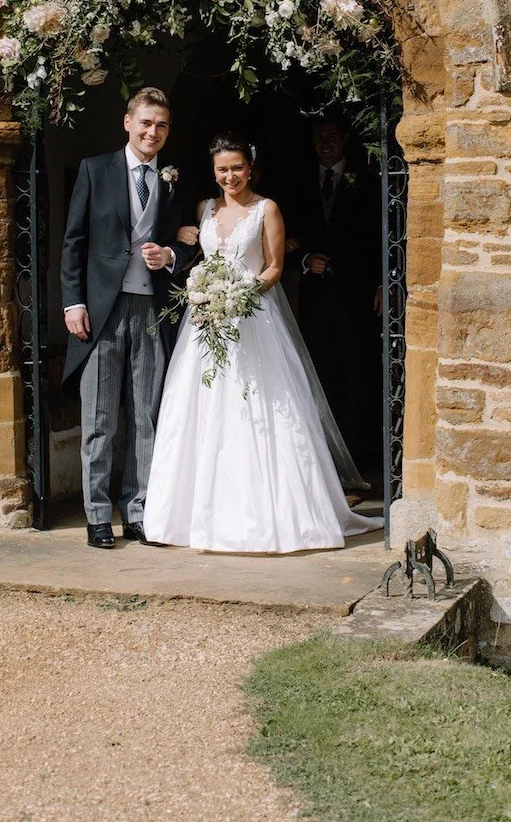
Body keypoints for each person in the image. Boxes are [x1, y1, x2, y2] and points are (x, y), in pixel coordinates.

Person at [143, 132, 382, 553]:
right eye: (222, 169)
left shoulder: (266, 209)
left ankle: (269, 514)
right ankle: (193, 516)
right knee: (199, 411)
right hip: (205, 322)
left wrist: (239, 297)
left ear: (250, 167)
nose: (230, 176)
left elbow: (273, 268)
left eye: (237, 168)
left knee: (259, 411)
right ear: (213, 172)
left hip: (252, 320)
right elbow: (198, 258)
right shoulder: (204, 209)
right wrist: (201, 282)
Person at [61, 87, 196, 549]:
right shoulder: (95, 170)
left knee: (146, 417)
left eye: (160, 125)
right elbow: (74, 241)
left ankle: (138, 511)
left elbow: (189, 242)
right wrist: (72, 302)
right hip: (101, 309)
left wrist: (172, 255)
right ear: (127, 123)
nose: (152, 132)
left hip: (152, 309)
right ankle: (98, 515)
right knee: (99, 417)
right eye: (145, 123)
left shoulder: (174, 180)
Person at [295, 109, 382, 473]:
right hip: (315, 296)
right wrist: (304, 259)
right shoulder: (299, 181)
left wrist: (382, 281)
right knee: (320, 372)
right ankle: (326, 461)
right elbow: (285, 232)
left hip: (357, 292)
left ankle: (358, 460)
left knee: (355, 373)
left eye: (331, 137)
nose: (324, 145)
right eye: (318, 139)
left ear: (344, 139)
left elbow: (383, 229)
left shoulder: (369, 177)